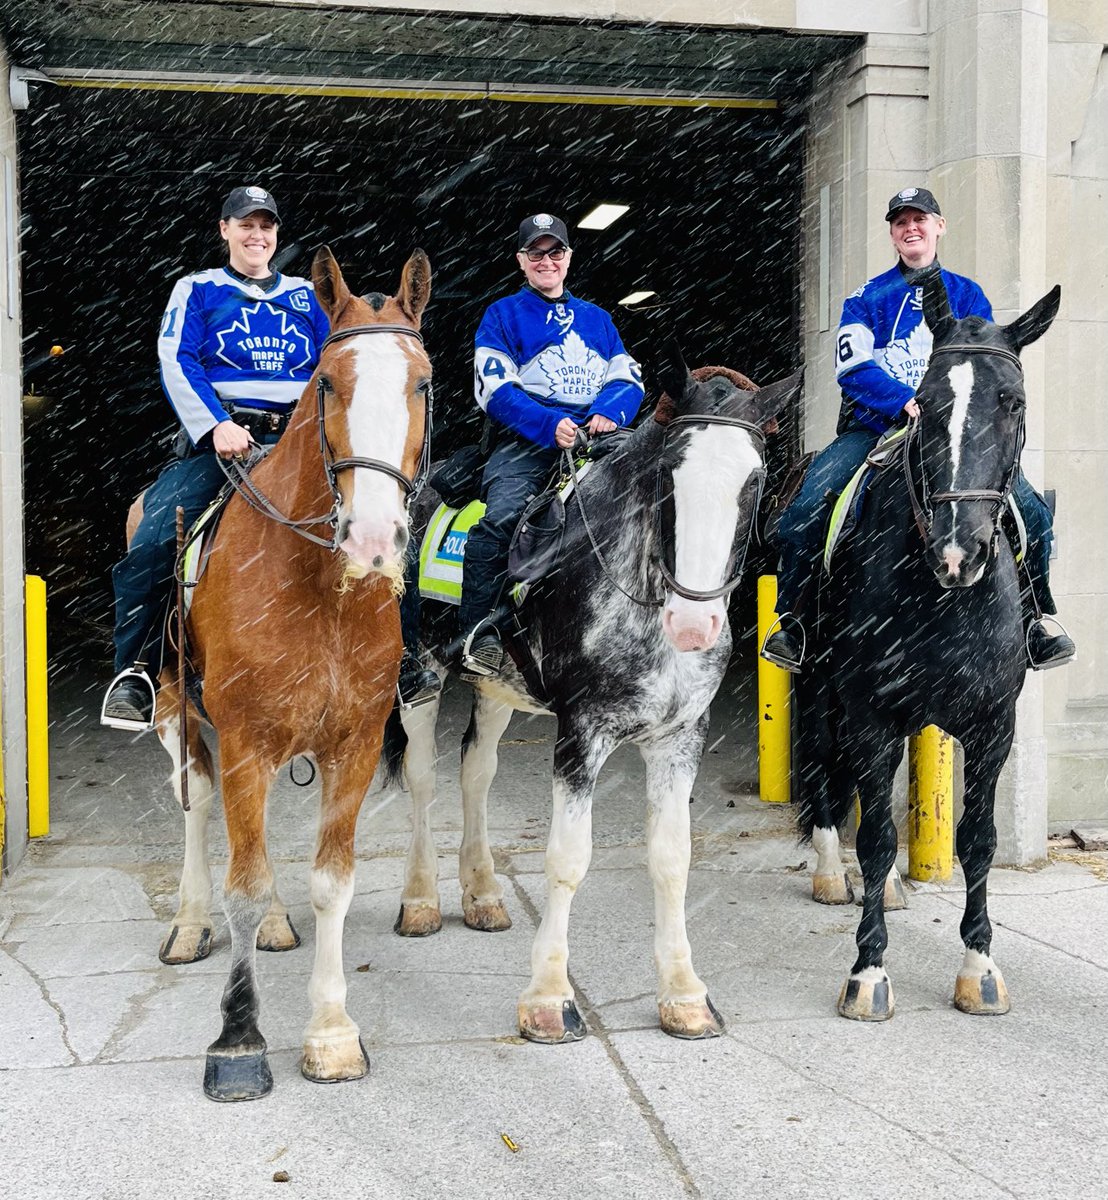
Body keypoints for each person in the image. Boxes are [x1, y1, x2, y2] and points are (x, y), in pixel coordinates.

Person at [102, 184, 439, 729]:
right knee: (156, 533)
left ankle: (403, 662)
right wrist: (215, 424)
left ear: (276, 234)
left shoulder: (309, 298)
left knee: (398, 529)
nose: (257, 235)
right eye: (246, 224)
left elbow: (347, 362)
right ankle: (138, 670)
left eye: (266, 226)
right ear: (225, 231)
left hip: (300, 444)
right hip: (226, 442)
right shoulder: (198, 289)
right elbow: (176, 360)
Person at [762, 186, 1074, 674]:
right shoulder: (865, 299)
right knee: (804, 509)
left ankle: (1036, 622)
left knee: (1032, 513)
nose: (911, 228)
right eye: (901, 221)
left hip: (953, 440)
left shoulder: (969, 295)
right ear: (891, 233)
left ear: (939, 226)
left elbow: (985, 372)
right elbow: (852, 368)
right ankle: (793, 623)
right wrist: (904, 401)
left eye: (920, 219)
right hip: (874, 432)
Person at [459, 212, 645, 678]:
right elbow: (494, 390)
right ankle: (480, 631)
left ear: (568, 257)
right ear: (522, 261)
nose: (547, 261)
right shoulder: (502, 314)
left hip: (599, 436)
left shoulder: (598, 320)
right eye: (536, 253)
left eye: (555, 251)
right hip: (528, 442)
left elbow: (629, 379)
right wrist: (548, 424)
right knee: (501, 519)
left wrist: (611, 412)